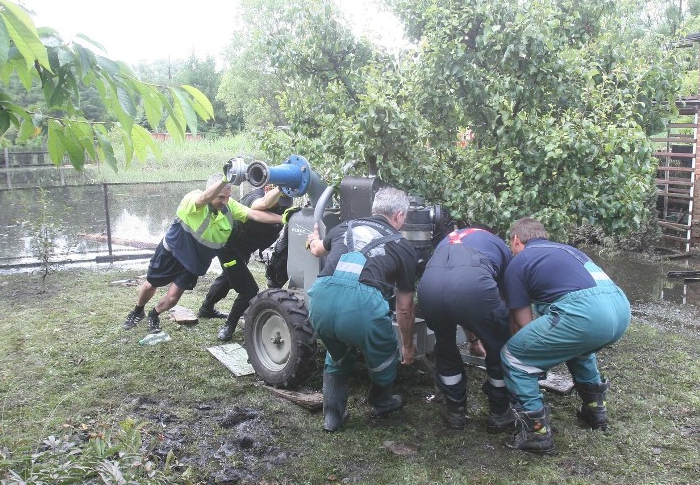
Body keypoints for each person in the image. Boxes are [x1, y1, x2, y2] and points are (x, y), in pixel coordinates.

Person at [501, 218, 631, 454]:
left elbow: (524, 323)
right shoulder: (568, 250)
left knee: (514, 356)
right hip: (620, 309)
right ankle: (595, 411)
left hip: (586, 314)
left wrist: (533, 359)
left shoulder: (521, 260)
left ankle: (537, 433)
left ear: (516, 240)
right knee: (580, 349)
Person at [305, 187, 418, 432]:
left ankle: (332, 418)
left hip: (321, 298)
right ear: (398, 215)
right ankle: (381, 402)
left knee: (336, 356)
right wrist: (407, 346)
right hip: (362, 307)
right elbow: (405, 308)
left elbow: (316, 250)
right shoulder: (402, 246)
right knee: (385, 354)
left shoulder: (343, 227)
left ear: (375, 210)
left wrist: (313, 238)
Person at [122, 166, 283, 335]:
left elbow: (254, 214)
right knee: (151, 284)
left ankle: (154, 314)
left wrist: (284, 218)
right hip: (172, 253)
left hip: (193, 262)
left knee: (172, 298)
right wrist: (225, 179)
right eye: (221, 196)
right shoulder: (193, 199)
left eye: (228, 197)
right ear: (211, 192)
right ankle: (137, 310)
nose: (225, 201)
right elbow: (204, 198)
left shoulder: (229, 206)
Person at [417, 227, 514, 431]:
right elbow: (501, 299)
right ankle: (499, 413)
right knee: (499, 345)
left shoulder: (447, 241)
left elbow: (456, 299)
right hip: (473, 283)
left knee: (445, 343)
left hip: (429, 286)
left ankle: (455, 412)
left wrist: (473, 341)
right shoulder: (498, 245)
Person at [197, 185, 294, 341]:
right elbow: (261, 205)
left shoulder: (283, 206)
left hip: (244, 249)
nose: (280, 206)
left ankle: (206, 308)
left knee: (228, 278)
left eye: (283, 204)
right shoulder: (254, 197)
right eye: (278, 201)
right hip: (229, 247)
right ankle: (230, 324)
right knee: (248, 289)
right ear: (268, 190)